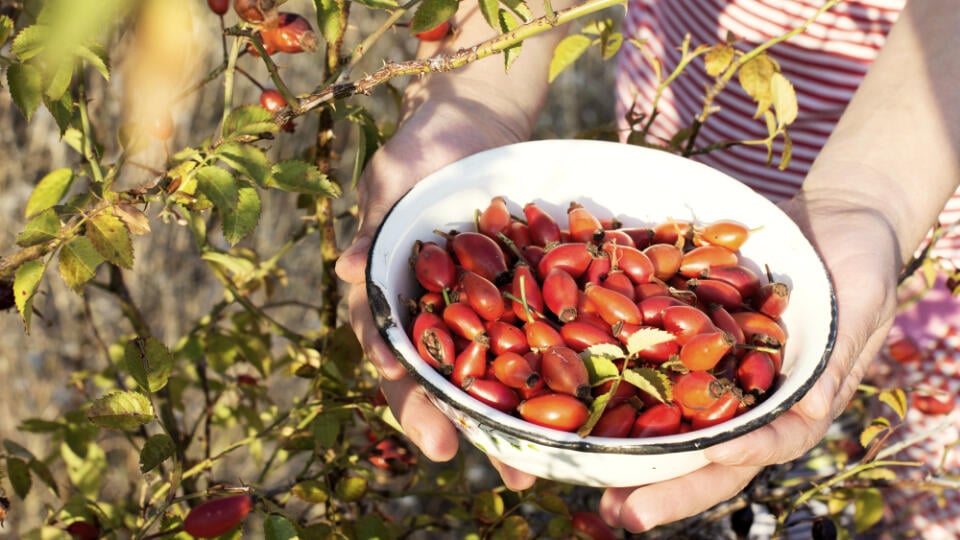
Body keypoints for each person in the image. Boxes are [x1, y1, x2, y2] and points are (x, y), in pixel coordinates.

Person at [335, 0, 960, 534]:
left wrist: (873, 196)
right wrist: (475, 96)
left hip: (927, 207)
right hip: (683, 117)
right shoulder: (578, 289)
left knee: (921, 474)